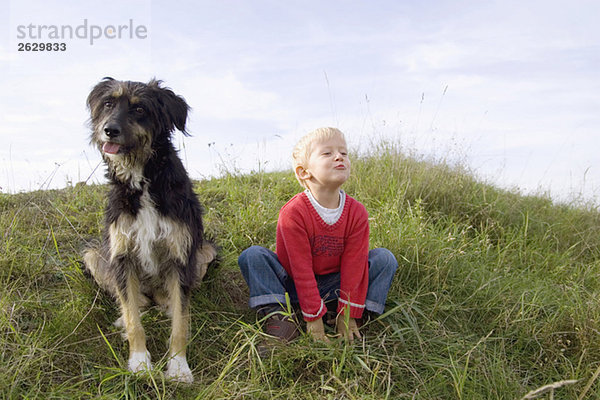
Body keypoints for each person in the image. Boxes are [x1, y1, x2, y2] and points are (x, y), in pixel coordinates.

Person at [238, 127, 398, 342]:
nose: (339, 156)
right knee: (253, 256)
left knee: (384, 259)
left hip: (335, 285)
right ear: (304, 171)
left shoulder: (356, 212)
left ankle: (353, 319)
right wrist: (313, 319)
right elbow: (300, 268)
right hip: (292, 285)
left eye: (344, 152)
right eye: (327, 153)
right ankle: (282, 317)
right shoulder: (294, 212)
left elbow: (354, 266)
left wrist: (347, 313)